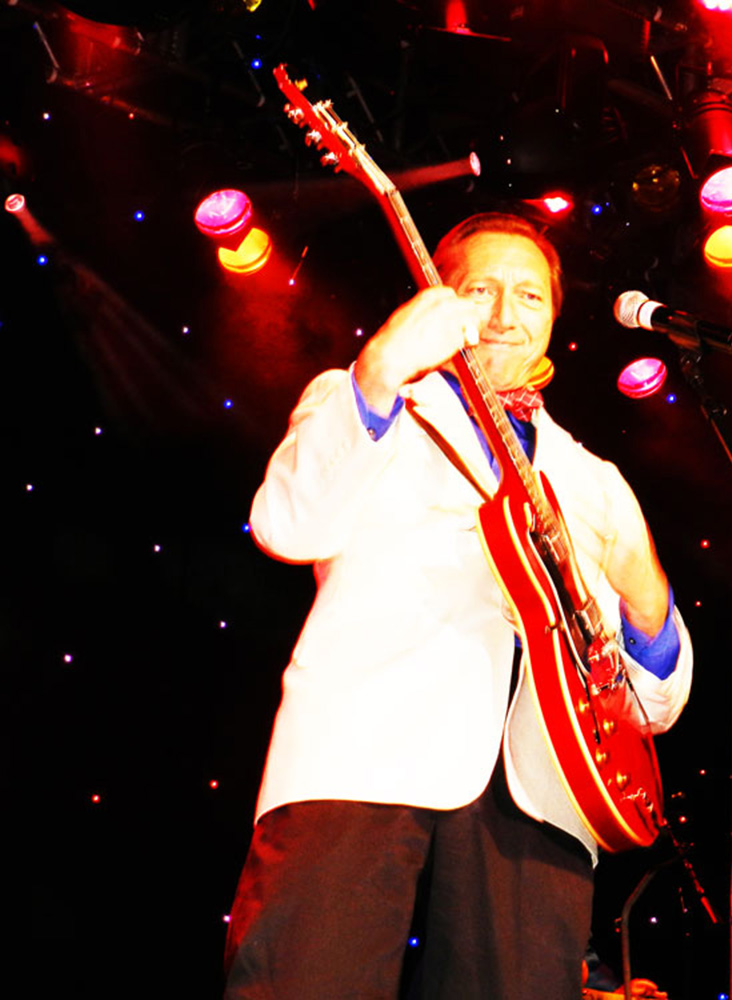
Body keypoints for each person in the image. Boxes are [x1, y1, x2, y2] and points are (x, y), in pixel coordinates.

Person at [223, 213, 693, 1000]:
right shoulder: (365, 398)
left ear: (554, 317)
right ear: (436, 299)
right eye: (481, 291)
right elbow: (286, 526)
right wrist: (381, 365)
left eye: (530, 296)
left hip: (542, 795)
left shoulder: (594, 480)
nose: (506, 314)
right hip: (362, 758)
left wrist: (645, 593)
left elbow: (650, 708)